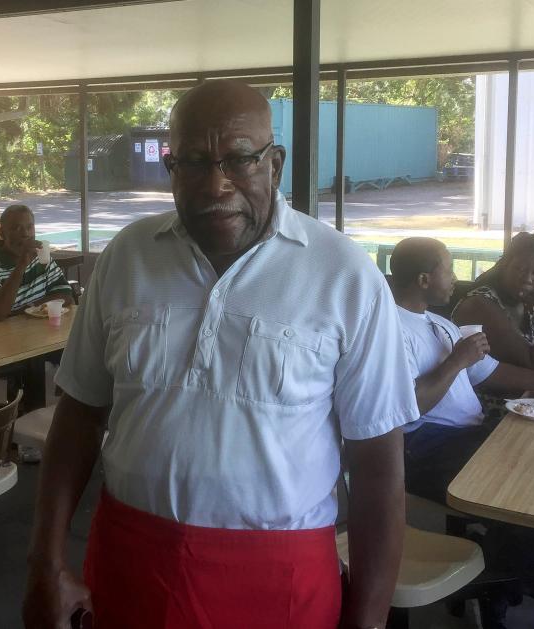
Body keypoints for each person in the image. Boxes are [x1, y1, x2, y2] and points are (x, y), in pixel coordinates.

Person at [22, 80, 420, 629]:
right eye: (193, 162)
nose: (216, 184)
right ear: (170, 168)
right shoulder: (126, 258)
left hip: (281, 582)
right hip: (130, 565)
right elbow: (80, 413)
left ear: (275, 164)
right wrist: (45, 563)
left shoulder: (344, 276)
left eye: (239, 159)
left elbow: (377, 467)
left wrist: (369, 621)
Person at [389, 237, 534, 628]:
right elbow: (406, 407)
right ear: (423, 278)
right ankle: (498, 582)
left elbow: (492, 372)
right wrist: (455, 361)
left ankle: (504, 568)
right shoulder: (391, 329)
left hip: (470, 434)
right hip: (424, 444)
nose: (455, 278)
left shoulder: (439, 322)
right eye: (448, 269)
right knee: (533, 491)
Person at [452, 232, 534, 373]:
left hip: (527, 390)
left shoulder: (530, 300)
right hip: (492, 393)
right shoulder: (481, 304)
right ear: (504, 265)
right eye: (519, 269)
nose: (527, 278)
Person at [0, 204, 72, 325]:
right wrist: (22, 265)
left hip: (33, 333)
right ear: (2, 233)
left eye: (30, 227)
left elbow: (65, 293)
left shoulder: (41, 257)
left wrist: (31, 308)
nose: (26, 234)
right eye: (17, 228)